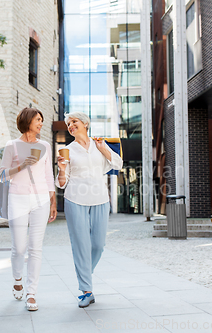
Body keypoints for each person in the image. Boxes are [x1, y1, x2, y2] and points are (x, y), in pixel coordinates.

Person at [55, 112, 123, 308]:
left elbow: (117, 164)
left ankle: (84, 274)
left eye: (74, 122)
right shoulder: (67, 150)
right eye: (68, 124)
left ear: (85, 123)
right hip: (75, 199)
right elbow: (61, 184)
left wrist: (104, 149)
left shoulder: (99, 144)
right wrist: (61, 169)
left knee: (98, 245)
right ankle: (87, 290)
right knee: (81, 245)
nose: (70, 125)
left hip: (100, 199)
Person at [0, 107, 57, 311]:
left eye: (42, 119)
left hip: (41, 199)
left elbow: (48, 174)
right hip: (18, 199)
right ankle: (17, 278)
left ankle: (32, 294)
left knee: (35, 247)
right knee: (19, 247)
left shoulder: (45, 146)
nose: (41, 123)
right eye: (37, 119)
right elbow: (3, 175)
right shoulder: (12, 145)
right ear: (27, 121)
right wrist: (22, 165)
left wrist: (53, 201)